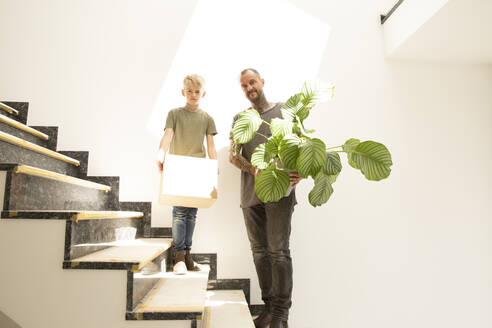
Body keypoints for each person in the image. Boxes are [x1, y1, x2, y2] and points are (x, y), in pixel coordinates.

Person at [230, 68, 301, 328]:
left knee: (278, 252)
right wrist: (252, 169)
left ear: (262, 82)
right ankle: (269, 309)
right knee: (260, 253)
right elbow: (233, 156)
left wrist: (300, 173)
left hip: (280, 194)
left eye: (252, 82)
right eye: (244, 85)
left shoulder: (284, 112)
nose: (250, 88)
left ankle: (281, 315)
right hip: (251, 195)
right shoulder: (240, 118)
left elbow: (300, 147)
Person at [157, 74, 217, 275]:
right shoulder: (174, 114)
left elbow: (210, 146)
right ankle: (179, 257)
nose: (193, 95)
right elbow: (167, 136)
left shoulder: (207, 118)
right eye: (189, 91)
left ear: (203, 93)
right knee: (180, 213)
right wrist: (161, 154)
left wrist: (214, 166)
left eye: (197, 92)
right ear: (183, 92)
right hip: (178, 167)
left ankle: (188, 254)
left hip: (198, 169)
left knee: (192, 214)